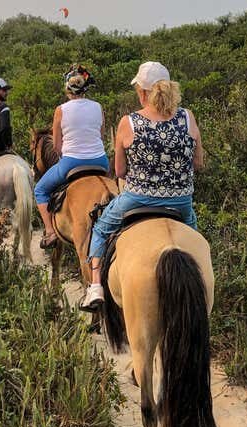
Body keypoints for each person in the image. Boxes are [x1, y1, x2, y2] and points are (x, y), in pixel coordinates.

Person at [81, 61, 204, 311]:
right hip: (181, 202)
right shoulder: (187, 117)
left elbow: (119, 171)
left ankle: (95, 286)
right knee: (198, 243)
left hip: (138, 198)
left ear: (143, 92)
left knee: (101, 229)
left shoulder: (129, 122)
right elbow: (198, 163)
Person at [34, 64, 109, 249]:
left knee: (40, 190)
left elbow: (57, 146)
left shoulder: (61, 110)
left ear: (67, 89)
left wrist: (64, 155)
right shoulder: (98, 106)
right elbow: (101, 135)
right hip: (101, 161)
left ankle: (51, 232)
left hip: (71, 162)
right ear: (85, 89)